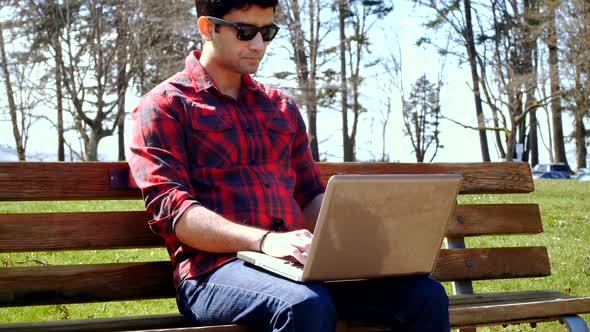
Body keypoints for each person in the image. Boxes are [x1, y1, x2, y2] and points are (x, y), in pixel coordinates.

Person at [128, 1, 450, 331]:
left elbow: (310, 196)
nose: (258, 45)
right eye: (245, 32)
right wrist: (265, 241)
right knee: (304, 305)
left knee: (425, 296)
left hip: (295, 266)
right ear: (207, 28)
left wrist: (370, 228)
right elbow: (174, 213)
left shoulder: (280, 107)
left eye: (267, 32)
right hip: (212, 273)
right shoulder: (165, 106)